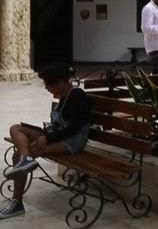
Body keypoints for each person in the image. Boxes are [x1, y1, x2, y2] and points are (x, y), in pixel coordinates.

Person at [0, 63, 93, 219]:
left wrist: (47, 138)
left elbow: (74, 129)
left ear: (59, 82)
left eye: (48, 84)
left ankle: (17, 202)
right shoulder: (64, 95)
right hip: (58, 135)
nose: (46, 88)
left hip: (72, 141)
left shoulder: (77, 96)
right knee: (16, 129)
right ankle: (26, 158)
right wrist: (46, 133)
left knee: (16, 156)